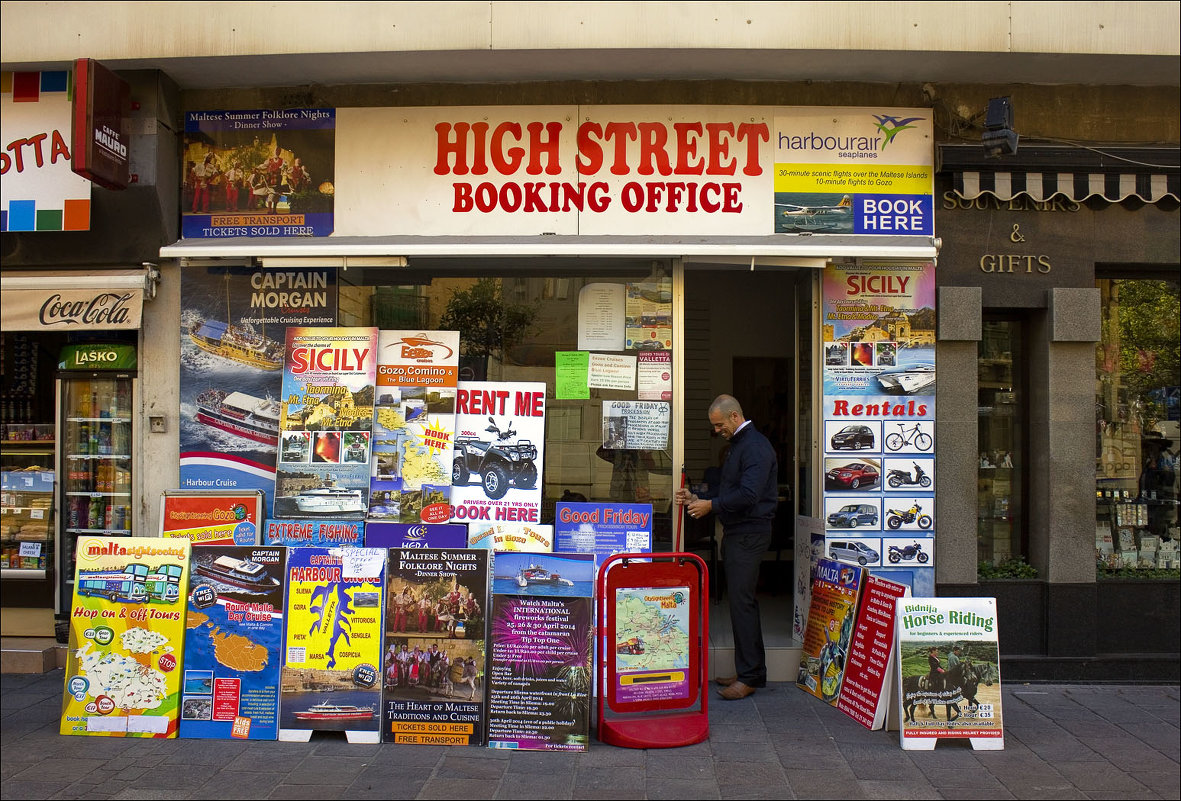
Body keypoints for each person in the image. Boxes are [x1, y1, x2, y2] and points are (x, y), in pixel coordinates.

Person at [676, 394, 777, 700]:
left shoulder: (755, 447)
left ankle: (749, 676)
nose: (717, 430)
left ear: (734, 417)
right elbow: (730, 488)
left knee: (742, 604)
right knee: (740, 603)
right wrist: (697, 497)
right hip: (739, 533)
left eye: (719, 425)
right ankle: (748, 669)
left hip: (750, 533)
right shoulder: (740, 445)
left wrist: (712, 505)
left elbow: (748, 495)